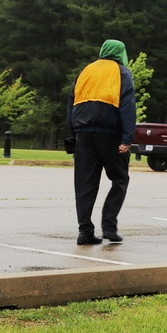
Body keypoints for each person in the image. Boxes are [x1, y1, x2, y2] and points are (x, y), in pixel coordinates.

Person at [67, 39, 136, 245]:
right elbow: (127, 106)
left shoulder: (85, 71)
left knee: (85, 183)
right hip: (110, 134)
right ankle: (109, 226)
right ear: (120, 53)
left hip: (83, 134)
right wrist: (127, 138)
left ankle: (85, 231)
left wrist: (74, 133)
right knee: (120, 178)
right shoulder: (122, 72)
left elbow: (72, 102)